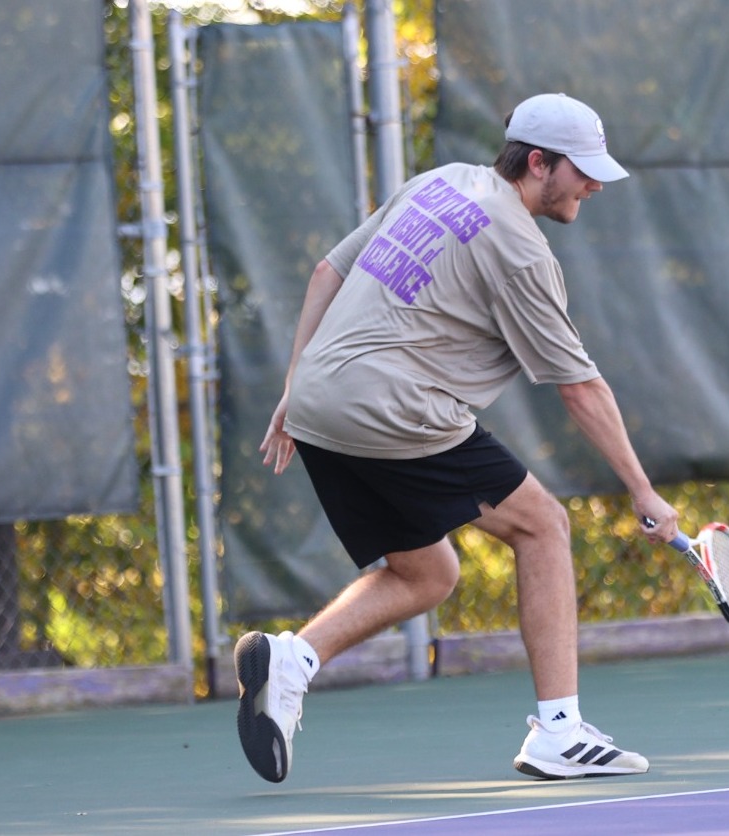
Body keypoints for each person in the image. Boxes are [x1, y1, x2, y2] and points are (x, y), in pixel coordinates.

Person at [237, 92, 680, 784]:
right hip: (392, 406)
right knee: (543, 526)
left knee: (428, 573)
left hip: (321, 405)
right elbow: (580, 388)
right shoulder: (522, 250)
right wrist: (643, 491)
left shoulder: (439, 182)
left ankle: (293, 660)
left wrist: (297, 386)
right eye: (583, 171)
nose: (594, 186)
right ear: (539, 163)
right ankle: (559, 733)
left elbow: (329, 271)